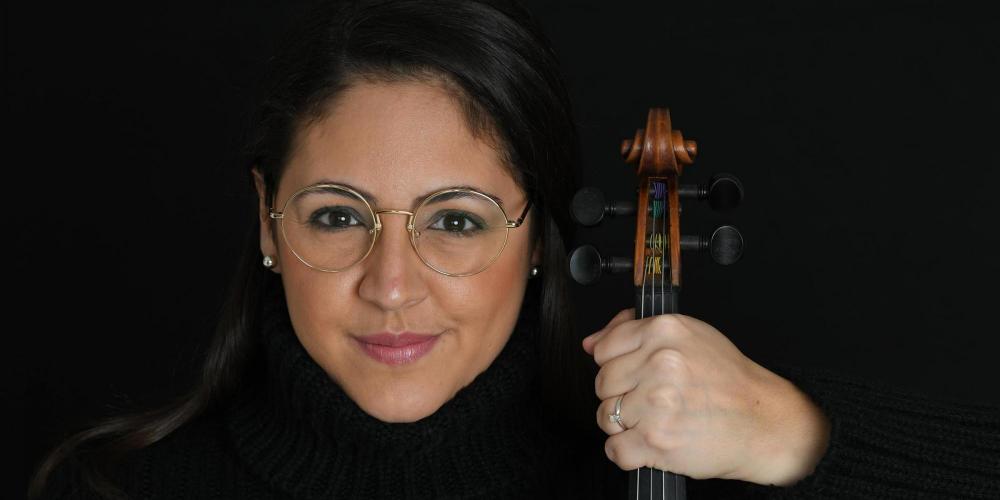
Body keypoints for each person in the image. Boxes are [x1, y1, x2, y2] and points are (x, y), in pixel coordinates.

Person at [28, 0, 1000, 498]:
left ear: (536, 234)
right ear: (266, 220)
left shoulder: (663, 475)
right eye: (337, 214)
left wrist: (802, 437)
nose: (392, 283)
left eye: (454, 218)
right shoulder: (111, 492)